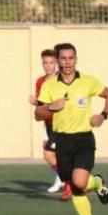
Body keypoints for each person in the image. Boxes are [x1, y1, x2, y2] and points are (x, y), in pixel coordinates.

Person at [34, 43, 108, 215]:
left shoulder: (88, 81)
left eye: (71, 58)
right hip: (62, 141)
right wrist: (52, 107)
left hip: (83, 139)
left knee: (79, 182)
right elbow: (38, 114)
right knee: (76, 187)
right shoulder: (50, 85)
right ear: (58, 61)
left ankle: (97, 182)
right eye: (63, 58)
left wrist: (103, 115)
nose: (67, 62)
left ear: (76, 59)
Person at [26, 48, 71, 199]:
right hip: (48, 122)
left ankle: (68, 182)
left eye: (51, 62)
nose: (48, 65)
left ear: (57, 63)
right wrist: (36, 102)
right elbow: (43, 103)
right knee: (49, 153)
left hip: (61, 123)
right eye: (45, 62)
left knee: (50, 154)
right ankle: (62, 178)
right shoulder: (40, 81)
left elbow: (62, 102)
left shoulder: (63, 80)